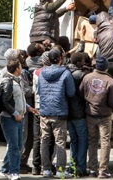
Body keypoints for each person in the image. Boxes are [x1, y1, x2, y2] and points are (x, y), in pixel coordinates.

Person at [80, 56, 113, 178]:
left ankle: (92, 170)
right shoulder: (111, 82)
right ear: (106, 67)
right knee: (105, 142)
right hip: (105, 116)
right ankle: (103, 170)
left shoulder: (87, 77)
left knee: (92, 141)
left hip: (90, 114)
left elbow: (80, 92)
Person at [37, 49, 75, 178]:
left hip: (44, 111)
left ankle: (46, 169)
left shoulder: (41, 73)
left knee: (44, 141)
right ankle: (60, 170)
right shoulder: (66, 73)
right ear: (60, 59)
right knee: (60, 142)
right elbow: (71, 93)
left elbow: (39, 91)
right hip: (59, 112)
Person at [0, 59, 38, 180]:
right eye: (20, 66)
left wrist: (28, 108)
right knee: (14, 146)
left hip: (18, 118)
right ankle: (13, 172)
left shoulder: (17, 81)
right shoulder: (8, 82)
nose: (22, 68)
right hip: (9, 118)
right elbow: (4, 101)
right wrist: (15, 113)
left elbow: (17, 99)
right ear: (17, 69)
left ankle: (5, 169)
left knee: (18, 145)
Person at [66, 52, 91, 177]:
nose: (84, 63)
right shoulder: (80, 75)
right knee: (82, 140)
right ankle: (81, 167)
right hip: (79, 112)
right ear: (78, 63)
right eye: (82, 61)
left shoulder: (66, 72)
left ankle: (72, 165)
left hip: (68, 112)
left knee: (74, 141)